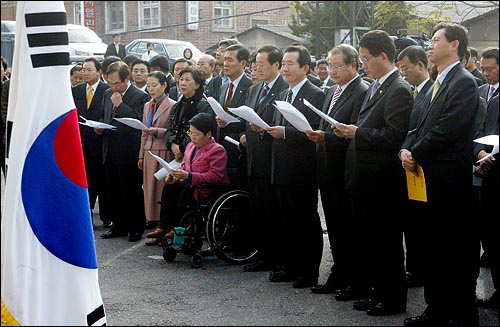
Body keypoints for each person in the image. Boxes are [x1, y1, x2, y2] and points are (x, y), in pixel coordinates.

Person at [400, 23, 480, 326]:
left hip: (449, 182)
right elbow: (415, 125)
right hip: (426, 179)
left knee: (454, 252)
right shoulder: (434, 82)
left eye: (435, 40)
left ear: (455, 45)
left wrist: (416, 152)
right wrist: (405, 150)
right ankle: (436, 309)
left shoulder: (464, 82)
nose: (429, 45)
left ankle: (460, 314)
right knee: (432, 250)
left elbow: (447, 129)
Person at [334, 30, 411, 316]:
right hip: (363, 177)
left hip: (382, 181)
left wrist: (358, 132)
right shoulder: (377, 86)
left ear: (383, 56)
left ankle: (392, 298)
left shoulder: (399, 89)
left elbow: (394, 135)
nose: (363, 64)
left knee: (386, 243)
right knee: (370, 242)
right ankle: (376, 291)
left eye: (366, 59)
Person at [305, 44, 369, 296]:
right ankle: (339, 271)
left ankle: (354, 276)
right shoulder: (332, 90)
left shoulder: (361, 91)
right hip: (326, 167)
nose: (331, 71)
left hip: (345, 168)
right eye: (329, 66)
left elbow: (354, 132)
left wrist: (326, 138)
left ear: (353, 65)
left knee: (348, 227)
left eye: (337, 66)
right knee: (334, 225)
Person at [266, 45, 325, 289]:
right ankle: (289, 265)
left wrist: (286, 133)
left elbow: (314, 132)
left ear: (305, 68)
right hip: (280, 165)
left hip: (302, 168)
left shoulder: (316, 94)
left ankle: (308, 270)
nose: (285, 68)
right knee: (286, 219)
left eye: (291, 63)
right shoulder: (283, 94)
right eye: (284, 63)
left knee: (305, 221)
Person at [240, 45, 288, 273]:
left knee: (274, 213)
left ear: (276, 65)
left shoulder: (283, 88)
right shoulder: (254, 89)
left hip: (272, 158)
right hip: (253, 157)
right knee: (258, 210)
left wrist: (261, 129)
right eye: (255, 63)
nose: (256, 68)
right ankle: (263, 254)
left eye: (261, 64)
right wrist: (245, 134)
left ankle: (278, 257)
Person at [147, 112, 229, 240]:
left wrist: (189, 176)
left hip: (207, 189)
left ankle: (177, 227)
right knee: (170, 187)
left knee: (185, 191)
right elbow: (185, 168)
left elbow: (215, 176)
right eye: (190, 133)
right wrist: (176, 177)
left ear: (208, 134)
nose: (192, 137)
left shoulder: (217, 150)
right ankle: (163, 226)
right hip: (190, 183)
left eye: (196, 134)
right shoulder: (190, 146)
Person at [95, 61, 150, 242]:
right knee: (113, 190)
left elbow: (138, 123)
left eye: (117, 83)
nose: (113, 87)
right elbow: (104, 116)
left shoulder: (140, 95)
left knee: (131, 191)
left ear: (128, 78)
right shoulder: (107, 93)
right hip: (109, 148)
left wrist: (120, 105)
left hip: (129, 150)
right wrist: (99, 127)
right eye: (109, 83)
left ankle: (136, 227)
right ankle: (119, 226)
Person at [396, 45, 434, 289]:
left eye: (406, 68)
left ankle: (420, 269)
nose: (403, 74)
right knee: (412, 223)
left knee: (423, 227)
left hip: (427, 169)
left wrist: (414, 152)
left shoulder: (433, 92)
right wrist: (403, 152)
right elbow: (409, 131)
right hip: (410, 165)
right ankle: (415, 268)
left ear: (421, 65)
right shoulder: (415, 92)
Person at [71, 57, 112, 228]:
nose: (85, 73)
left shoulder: (106, 90)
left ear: (99, 71)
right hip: (80, 142)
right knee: (83, 180)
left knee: (101, 181)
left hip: (99, 141)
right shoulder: (77, 90)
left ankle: (106, 217)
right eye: (83, 70)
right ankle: (84, 215)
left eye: (89, 70)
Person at [138, 71, 176, 234]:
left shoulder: (172, 104)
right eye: (148, 86)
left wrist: (158, 131)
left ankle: (162, 220)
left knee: (161, 187)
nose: (151, 89)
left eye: (154, 85)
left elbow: (172, 130)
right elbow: (143, 132)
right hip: (148, 150)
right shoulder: (148, 105)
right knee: (149, 187)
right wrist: (140, 154)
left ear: (164, 85)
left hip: (163, 148)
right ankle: (151, 218)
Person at [474, 94, 499, 309]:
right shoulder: (495, 101)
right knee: (490, 233)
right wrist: (481, 152)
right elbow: (481, 132)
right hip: (491, 179)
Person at [216, 44, 252, 187]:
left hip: (239, 149)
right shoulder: (223, 87)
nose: (225, 64)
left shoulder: (251, 87)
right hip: (221, 150)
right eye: (224, 59)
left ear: (243, 63)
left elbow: (250, 119)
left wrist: (229, 122)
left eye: (230, 60)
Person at [477, 47, 499, 269]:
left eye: (490, 69)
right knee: (487, 225)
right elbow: (480, 131)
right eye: (482, 69)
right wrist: (481, 153)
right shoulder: (485, 94)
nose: (485, 73)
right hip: (486, 170)